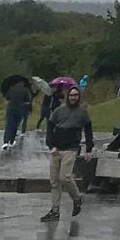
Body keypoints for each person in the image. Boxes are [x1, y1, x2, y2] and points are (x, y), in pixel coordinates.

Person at [40, 84, 93, 221]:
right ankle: (55, 210)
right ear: (67, 97)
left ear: (79, 97)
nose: (73, 98)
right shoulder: (59, 111)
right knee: (54, 181)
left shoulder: (82, 112)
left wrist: (89, 149)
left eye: (76, 95)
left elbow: (88, 131)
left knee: (65, 177)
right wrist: (51, 145)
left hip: (71, 148)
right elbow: (50, 128)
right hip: (57, 148)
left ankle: (77, 197)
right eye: (71, 95)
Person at [0, 76, 32, 151]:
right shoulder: (25, 90)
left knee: (8, 124)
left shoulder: (11, 89)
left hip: (10, 108)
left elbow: (7, 98)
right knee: (15, 125)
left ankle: (5, 141)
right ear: (23, 83)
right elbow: (28, 101)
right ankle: (11, 141)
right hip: (19, 109)